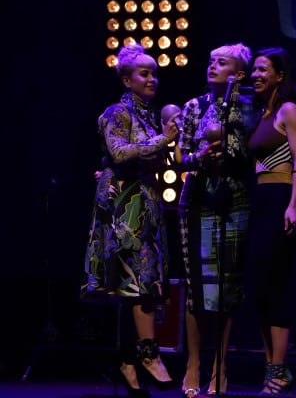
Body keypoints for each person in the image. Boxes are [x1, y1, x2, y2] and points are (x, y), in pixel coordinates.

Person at [82, 43, 179, 397]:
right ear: (126, 79)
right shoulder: (116, 112)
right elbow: (120, 152)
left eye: (154, 73)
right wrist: (161, 141)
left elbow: (154, 156)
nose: (152, 78)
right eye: (144, 73)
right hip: (125, 205)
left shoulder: (150, 115)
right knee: (136, 282)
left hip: (147, 202)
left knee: (145, 282)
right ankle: (148, 355)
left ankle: (126, 362)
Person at [175, 43, 256, 397]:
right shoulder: (195, 106)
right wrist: (200, 158)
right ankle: (193, 363)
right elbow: (180, 155)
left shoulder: (247, 106)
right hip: (198, 198)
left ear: (238, 74)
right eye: (210, 61)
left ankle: (220, 367)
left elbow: (249, 151)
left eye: (221, 63)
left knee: (225, 286)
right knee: (198, 286)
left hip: (233, 199)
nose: (212, 66)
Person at [245, 47, 296, 395]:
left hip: (281, 198)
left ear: (279, 76)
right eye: (253, 69)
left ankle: (279, 369)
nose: (255, 75)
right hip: (260, 201)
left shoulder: (288, 110)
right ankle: (272, 367)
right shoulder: (259, 113)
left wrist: (294, 205)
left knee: (277, 286)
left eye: (263, 70)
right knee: (260, 289)